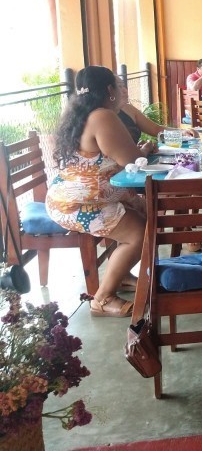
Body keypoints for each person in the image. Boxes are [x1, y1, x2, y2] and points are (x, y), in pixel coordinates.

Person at [45, 66, 149, 318]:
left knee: (143, 218)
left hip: (79, 197)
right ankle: (102, 299)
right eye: (118, 85)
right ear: (110, 90)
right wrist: (143, 150)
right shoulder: (103, 116)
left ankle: (121, 275)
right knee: (139, 233)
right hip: (78, 205)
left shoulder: (83, 113)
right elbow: (131, 162)